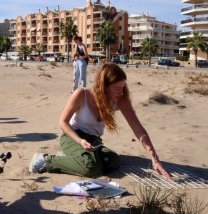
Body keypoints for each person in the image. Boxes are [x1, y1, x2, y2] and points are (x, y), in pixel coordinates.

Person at [29, 63, 171, 179]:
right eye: (117, 89)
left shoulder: (120, 99)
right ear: (104, 87)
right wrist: (79, 141)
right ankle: (46, 160)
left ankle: (73, 157)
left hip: (93, 141)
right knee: (91, 168)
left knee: (114, 162)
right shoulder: (82, 94)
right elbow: (63, 122)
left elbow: (138, 129)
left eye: (123, 88)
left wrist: (155, 158)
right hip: (72, 136)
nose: (121, 93)